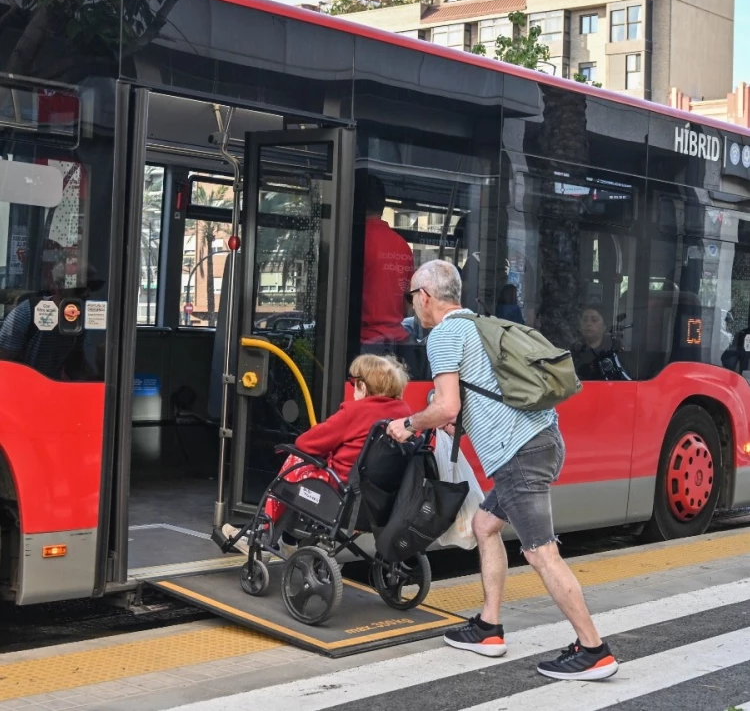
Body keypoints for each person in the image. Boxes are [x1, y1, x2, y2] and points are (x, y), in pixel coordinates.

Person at [387, 260, 618, 681]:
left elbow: (446, 406)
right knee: (485, 524)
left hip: (519, 455)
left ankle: (593, 648)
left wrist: (407, 424)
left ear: (424, 297)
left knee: (540, 552)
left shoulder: (442, 336)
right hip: (544, 439)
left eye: (412, 298)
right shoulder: (479, 326)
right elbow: (477, 398)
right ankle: (489, 626)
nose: (413, 306)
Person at [223, 353, 412, 556]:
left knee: (296, 462)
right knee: (306, 473)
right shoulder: (404, 414)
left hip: (340, 494)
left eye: (353, 382)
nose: (351, 386)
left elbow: (305, 443)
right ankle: (289, 539)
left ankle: (264, 536)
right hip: (378, 500)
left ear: (363, 387)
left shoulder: (355, 412)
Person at [0, 246, 101, 380]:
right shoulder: (27, 313)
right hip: (22, 387)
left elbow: (75, 364)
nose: (88, 293)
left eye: (92, 287)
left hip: (52, 388)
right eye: (81, 288)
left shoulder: (77, 319)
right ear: (59, 286)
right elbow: (5, 362)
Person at [358, 171, 414, 347]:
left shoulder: (355, 241)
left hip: (362, 342)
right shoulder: (403, 246)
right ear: (382, 205)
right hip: (397, 342)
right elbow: (408, 303)